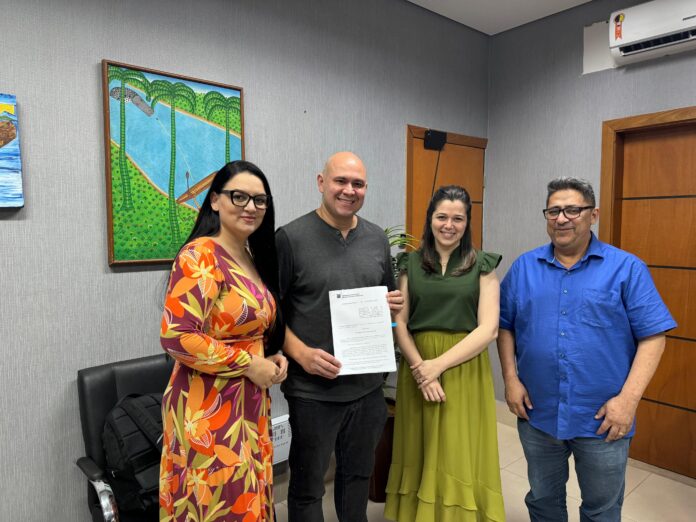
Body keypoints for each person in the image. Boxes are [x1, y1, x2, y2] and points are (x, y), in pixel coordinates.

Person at [497, 177, 676, 522]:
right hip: (538, 412)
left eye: (572, 210)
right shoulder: (523, 268)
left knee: (601, 509)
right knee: (543, 501)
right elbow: (505, 326)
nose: (561, 218)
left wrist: (628, 401)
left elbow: (654, 336)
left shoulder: (627, 268)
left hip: (603, 418)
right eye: (553, 211)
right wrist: (510, 379)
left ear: (593, 215)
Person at [275, 151, 404, 522]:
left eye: (358, 184)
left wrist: (391, 307)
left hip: (367, 389)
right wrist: (301, 354)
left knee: (357, 478)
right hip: (313, 392)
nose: (349, 190)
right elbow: (270, 316)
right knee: (308, 488)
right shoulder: (290, 238)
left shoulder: (376, 238)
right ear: (321, 182)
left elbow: (385, 301)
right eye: (340, 181)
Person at [159, 160, 288, 522]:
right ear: (215, 200)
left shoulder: (250, 255)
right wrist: (249, 364)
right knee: (218, 503)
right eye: (239, 197)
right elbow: (177, 335)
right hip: (208, 406)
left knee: (247, 498)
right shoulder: (200, 255)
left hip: (248, 404)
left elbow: (249, 327)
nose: (251, 207)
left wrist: (271, 356)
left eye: (259, 200)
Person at [384, 185, 506, 522]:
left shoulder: (483, 265)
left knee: (457, 448)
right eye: (442, 217)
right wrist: (421, 369)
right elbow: (399, 322)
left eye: (458, 218)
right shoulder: (409, 263)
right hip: (417, 367)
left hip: (463, 368)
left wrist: (436, 366)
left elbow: (489, 329)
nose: (449, 225)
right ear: (430, 219)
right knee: (418, 445)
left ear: (467, 223)